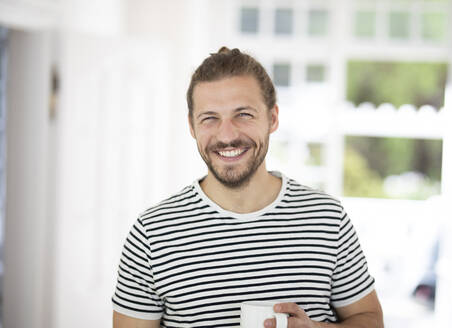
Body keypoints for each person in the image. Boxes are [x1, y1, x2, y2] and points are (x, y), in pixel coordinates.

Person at [112, 47, 384, 328]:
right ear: (192, 126)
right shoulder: (152, 233)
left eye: (243, 114)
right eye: (210, 118)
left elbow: (371, 320)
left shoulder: (327, 217)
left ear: (273, 118)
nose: (227, 135)